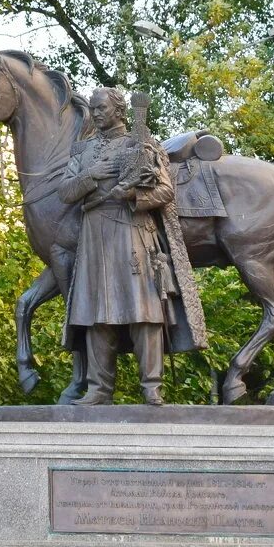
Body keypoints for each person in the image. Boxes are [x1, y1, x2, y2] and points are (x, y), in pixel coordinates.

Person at [58, 87, 184, 405]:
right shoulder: (83, 152)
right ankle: (98, 388)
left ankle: (151, 386)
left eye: (101, 108)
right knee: (95, 312)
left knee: (144, 311)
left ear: (118, 110)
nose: (96, 113)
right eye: (92, 109)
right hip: (93, 236)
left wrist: (131, 195)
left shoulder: (141, 143)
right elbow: (65, 192)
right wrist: (90, 175)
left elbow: (165, 191)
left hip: (132, 232)